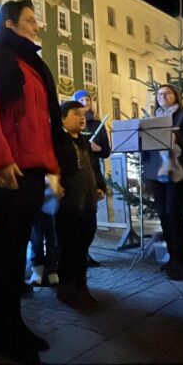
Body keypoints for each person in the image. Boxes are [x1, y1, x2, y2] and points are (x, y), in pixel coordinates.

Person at [0, 0, 65, 363]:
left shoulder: (33, 67)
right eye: (29, 20)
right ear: (9, 24)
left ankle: (13, 325)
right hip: (10, 171)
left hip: (33, 170)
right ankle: (2, 331)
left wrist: (53, 166)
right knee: (4, 255)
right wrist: (0, 160)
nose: (36, 26)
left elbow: (44, 121)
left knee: (15, 256)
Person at [141, 84, 183, 281]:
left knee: (173, 214)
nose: (163, 96)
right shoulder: (154, 119)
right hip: (156, 172)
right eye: (159, 94)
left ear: (176, 96)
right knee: (164, 216)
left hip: (177, 172)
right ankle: (172, 258)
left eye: (167, 93)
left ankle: (180, 263)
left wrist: (174, 135)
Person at [55, 101, 107, 310]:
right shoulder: (59, 141)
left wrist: (100, 186)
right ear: (63, 119)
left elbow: (94, 169)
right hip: (69, 204)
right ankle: (67, 289)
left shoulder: (85, 143)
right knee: (70, 247)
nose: (81, 117)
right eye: (75, 113)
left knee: (84, 244)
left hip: (88, 203)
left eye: (83, 114)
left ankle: (81, 285)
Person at [72, 89, 111, 267]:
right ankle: (79, 255)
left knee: (91, 218)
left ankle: (86, 252)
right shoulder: (70, 124)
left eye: (87, 99)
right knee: (77, 218)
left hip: (94, 174)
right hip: (77, 175)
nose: (85, 102)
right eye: (81, 99)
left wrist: (98, 149)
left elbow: (106, 152)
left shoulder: (97, 124)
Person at [27, 192, 59, 287]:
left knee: (53, 235)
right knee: (36, 236)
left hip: (52, 195)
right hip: (35, 197)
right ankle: (37, 269)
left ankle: (52, 269)